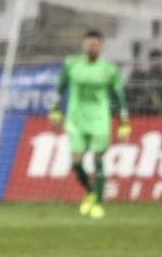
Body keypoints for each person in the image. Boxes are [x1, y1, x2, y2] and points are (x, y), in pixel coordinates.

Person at [49, 31, 130, 219]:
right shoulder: (71, 64)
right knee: (76, 163)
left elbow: (119, 97)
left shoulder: (109, 69)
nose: (91, 48)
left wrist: (124, 124)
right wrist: (55, 111)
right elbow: (60, 88)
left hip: (100, 119)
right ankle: (92, 191)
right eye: (88, 44)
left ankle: (99, 204)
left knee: (98, 159)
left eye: (95, 45)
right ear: (83, 45)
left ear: (100, 46)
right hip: (76, 119)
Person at [127, 48, 162, 115]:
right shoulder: (144, 75)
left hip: (157, 106)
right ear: (150, 61)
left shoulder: (160, 76)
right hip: (144, 106)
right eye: (154, 61)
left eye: (158, 61)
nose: (156, 64)